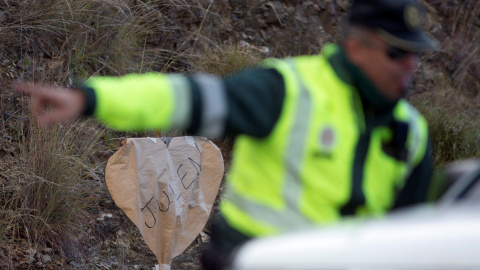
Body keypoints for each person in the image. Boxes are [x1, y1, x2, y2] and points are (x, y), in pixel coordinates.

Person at [15, 0, 439, 269]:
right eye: (396, 52)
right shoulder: (289, 91)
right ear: (356, 47)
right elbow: (186, 97)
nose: (409, 66)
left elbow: (409, 239)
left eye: (416, 54)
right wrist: (91, 99)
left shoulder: (413, 134)